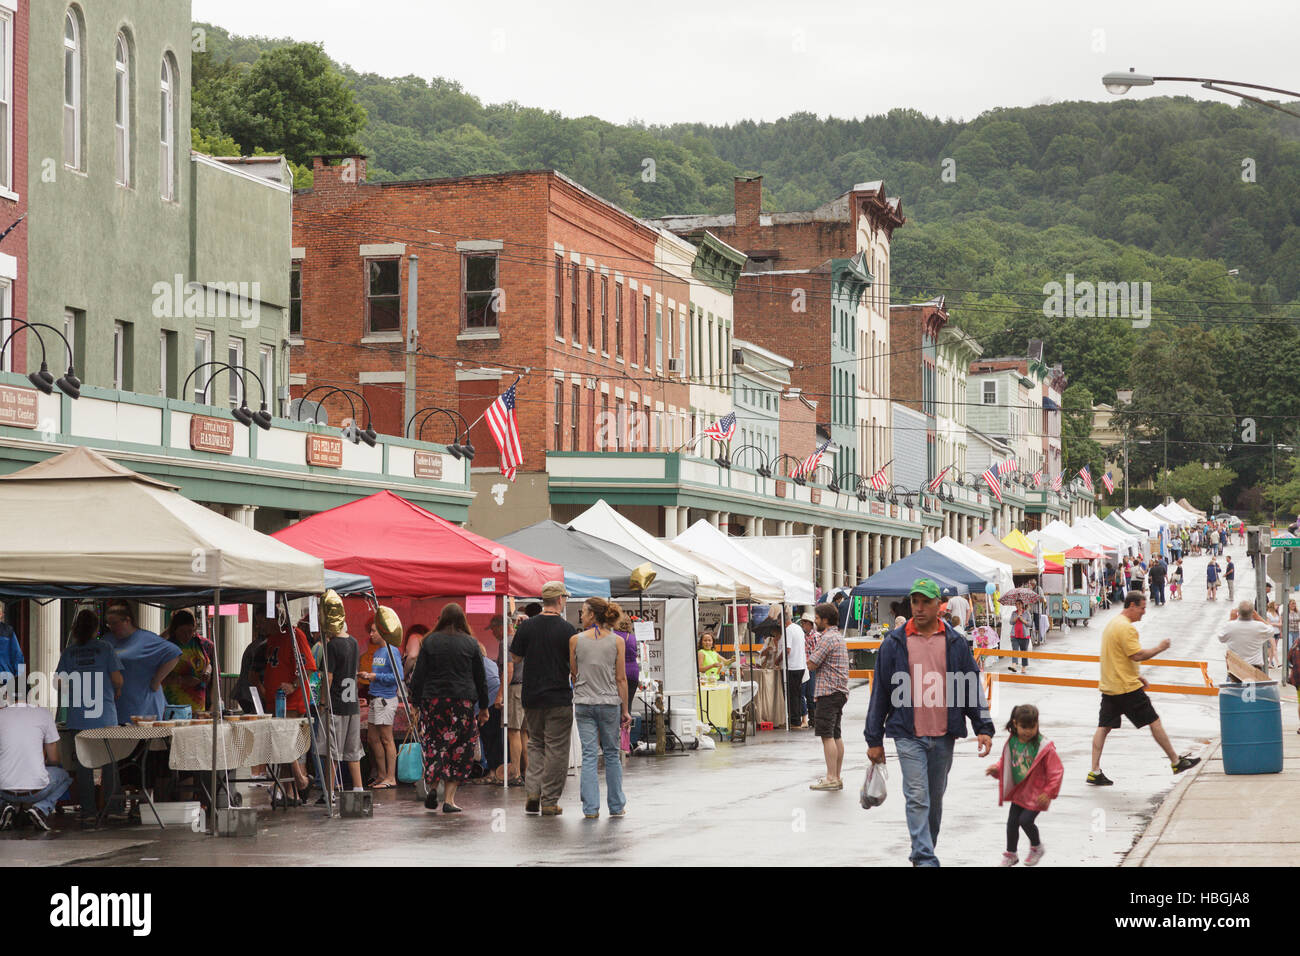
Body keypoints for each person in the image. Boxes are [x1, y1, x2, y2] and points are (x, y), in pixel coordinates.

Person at [865, 579, 994, 867]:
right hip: (908, 734)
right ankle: (925, 858)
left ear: (939, 605)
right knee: (917, 797)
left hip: (944, 734)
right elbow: (881, 694)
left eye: (925, 602)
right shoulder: (894, 643)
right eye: (915, 602)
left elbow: (971, 686)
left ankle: (922, 850)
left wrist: (983, 727)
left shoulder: (955, 643)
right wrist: (873, 739)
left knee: (934, 801)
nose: (919, 608)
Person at [1087, 591, 1201, 786]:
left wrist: (1136, 675)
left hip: (1111, 686)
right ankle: (1175, 761)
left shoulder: (1112, 624)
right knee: (1154, 721)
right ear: (1131, 606)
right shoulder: (1127, 629)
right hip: (1126, 688)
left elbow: (1117, 657)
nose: (1144, 612)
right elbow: (1137, 655)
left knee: (1103, 727)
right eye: (1142, 607)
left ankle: (1094, 771)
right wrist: (1160, 648)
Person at [409, 603, 489, 813]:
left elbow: (419, 675)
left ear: (441, 618)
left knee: (436, 745)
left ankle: (433, 787)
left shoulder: (429, 641)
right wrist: (484, 707)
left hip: (434, 702)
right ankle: (449, 800)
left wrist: (415, 703)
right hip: (462, 702)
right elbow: (481, 678)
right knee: (460, 748)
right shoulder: (471, 644)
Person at [511, 581, 577, 816]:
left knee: (536, 744)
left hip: (532, 696)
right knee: (557, 750)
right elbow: (574, 666)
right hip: (558, 696)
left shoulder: (527, 628)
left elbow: (516, 659)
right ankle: (549, 800)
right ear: (560, 599)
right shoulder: (568, 630)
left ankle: (532, 793)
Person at [55, 609, 123, 827]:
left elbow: (58, 684)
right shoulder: (106, 648)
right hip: (104, 716)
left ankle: (88, 811)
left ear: (75, 628)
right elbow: (117, 679)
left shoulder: (69, 652)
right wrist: (116, 689)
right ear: (96, 628)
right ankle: (113, 809)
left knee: (84, 766)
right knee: (110, 764)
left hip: (78, 717)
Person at [570, 597, 630, 818]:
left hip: (584, 702)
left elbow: (574, 673)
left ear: (593, 615)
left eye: (584, 612)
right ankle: (616, 805)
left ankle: (590, 808)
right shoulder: (617, 641)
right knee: (612, 753)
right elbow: (621, 678)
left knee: (589, 755)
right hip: (609, 702)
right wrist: (625, 710)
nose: (582, 616)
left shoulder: (575, 640)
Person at [985, 703, 1062, 867]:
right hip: (1020, 792)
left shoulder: (1044, 747)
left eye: (1032, 727)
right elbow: (1006, 762)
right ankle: (1011, 854)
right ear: (1015, 724)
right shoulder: (1013, 742)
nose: (1028, 731)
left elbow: (1056, 771)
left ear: (1037, 725)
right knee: (1012, 822)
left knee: (1025, 820)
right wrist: (997, 769)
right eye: (1024, 727)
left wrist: (1048, 792)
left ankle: (1037, 847)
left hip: (1037, 794)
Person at [253, 608, 316, 797]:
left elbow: (309, 667)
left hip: (291, 702)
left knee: (285, 741)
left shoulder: (295, 636)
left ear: (273, 619)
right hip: (276, 700)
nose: (259, 626)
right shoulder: (272, 640)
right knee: (281, 746)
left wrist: (294, 685)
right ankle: (290, 792)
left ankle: (300, 781)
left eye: (261, 621)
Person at [0, 696, 72, 831]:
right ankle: (41, 809)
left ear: (6, 696)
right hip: (37, 791)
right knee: (65, 776)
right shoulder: (43, 714)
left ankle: (3, 806)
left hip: (4, 791)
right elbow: (54, 759)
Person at [104, 602, 180, 721]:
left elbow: (174, 653)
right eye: (109, 624)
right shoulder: (108, 640)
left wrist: (156, 680)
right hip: (116, 706)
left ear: (127, 621)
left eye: (115, 623)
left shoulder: (146, 639)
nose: (112, 627)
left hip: (143, 707)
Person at [807, 602, 849, 790]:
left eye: (817, 618)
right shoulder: (838, 637)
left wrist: (810, 656)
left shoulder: (826, 638)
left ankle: (831, 777)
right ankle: (837, 776)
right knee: (836, 734)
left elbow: (812, 663)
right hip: (839, 691)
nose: (815, 622)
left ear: (825, 620)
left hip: (828, 691)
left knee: (826, 735)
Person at [360, 616, 404, 789]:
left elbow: (398, 677)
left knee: (386, 738)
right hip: (375, 696)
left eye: (374, 631)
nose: (370, 634)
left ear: (383, 632)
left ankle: (391, 777)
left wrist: (374, 676)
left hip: (386, 698)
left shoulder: (392, 650)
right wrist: (370, 677)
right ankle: (381, 774)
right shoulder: (378, 651)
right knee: (372, 738)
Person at [161, 610, 214, 712]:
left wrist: (207, 672)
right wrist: (182, 680)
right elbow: (158, 678)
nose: (187, 635)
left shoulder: (197, 643)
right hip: (175, 706)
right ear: (175, 630)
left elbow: (208, 664)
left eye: (190, 631)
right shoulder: (167, 647)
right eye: (182, 631)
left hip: (198, 706)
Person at [1217, 600, 1275, 681]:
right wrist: (1258, 617)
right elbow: (1271, 630)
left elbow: (1221, 637)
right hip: (1254, 669)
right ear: (1252, 613)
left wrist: (1231, 619)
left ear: (1238, 613)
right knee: (1254, 692)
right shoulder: (1259, 627)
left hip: (1235, 669)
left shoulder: (1230, 626)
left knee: (1232, 691)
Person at [616, 612, 640, 752]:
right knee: (627, 707)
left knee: (617, 708)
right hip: (633, 672)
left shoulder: (614, 637)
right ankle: (626, 744)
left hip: (620, 672)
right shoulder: (632, 637)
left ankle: (617, 743)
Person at [783, 606, 808, 728]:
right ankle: (797, 719)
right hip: (801, 665)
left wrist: (778, 659)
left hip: (792, 666)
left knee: (792, 695)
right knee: (798, 694)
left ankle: (795, 721)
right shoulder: (798, 628)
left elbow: (787, 649)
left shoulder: (788, 630)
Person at [799, 611, 818, 726]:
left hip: (811, 667)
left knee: (810, 693)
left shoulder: (815, 636)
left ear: (810, 624)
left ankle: (813, 717)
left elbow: (816, 653)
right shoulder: (805, 635)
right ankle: (811, 717)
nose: (803, 625)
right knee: (806, 692)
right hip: (806, 666)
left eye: (805, 623)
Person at [0, 602, 24, 683]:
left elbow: (18, 656)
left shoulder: (8, 631)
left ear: (1, 615)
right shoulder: (8, 631)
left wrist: (20, 678)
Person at [1008, 602, 1030, 673]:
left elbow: (1030, 624)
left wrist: (1022, 620)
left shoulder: (1026, 613)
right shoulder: (1014, 613)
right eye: (1016, 604)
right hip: (1014, 635)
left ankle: (1023, 667)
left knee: (1024, 652)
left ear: (1022, 605)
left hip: (1024, 636)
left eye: (1019, 604)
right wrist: (1017, 617)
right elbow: (1011, 622)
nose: (1017, 605)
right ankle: (1014, 666)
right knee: (1015, 650)